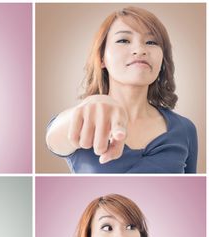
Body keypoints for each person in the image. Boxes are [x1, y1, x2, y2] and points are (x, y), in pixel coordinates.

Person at [46, 6, 198, 173]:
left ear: (163, 59)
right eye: (124, 40)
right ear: (101, 58)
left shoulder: (185, 129)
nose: (140, 50)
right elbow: (53, 139)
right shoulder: (84, 116)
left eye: (151, 42)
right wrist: (91, 105)